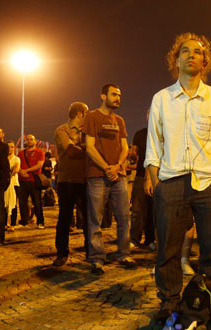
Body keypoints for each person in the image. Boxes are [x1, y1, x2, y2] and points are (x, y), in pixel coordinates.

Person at [145, 33, 211, 321]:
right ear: (176, 59)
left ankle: (210, 299)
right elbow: (154, 144)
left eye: (197, 52)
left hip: (209, 182)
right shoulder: (162, 98)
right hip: (170, 181)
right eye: (185, 51)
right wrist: (156, 182)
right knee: (168, 249)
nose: (191, 55)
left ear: (204, 61)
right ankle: (169, 301)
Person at [84, 84, 135, 274]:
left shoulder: (120, 120)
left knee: (123, 217)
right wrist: (107, 168)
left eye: (119, 95)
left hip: (118, 176)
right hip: (97, 176)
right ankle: (97, 258)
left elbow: (125, 147)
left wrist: (118, 166)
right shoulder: (92, 116)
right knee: (95, 220)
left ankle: (124, 254)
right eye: (114, 94)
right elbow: (89, 147)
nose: (118, 98)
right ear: (102, 95)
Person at [53, 101, 90, 266]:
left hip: (85, 180)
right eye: (87, 112)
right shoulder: (62, 130)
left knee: (89, 218)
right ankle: (62, 253)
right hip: (67, 181)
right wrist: (91, 151)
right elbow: (71, 151)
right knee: (65, 218)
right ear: (80, 113)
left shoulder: (88, 131)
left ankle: (91, 251)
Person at [129, 114, 156, 251]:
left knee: (152, 211)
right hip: (140, 175)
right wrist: (132, 155)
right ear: (147, 116)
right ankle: (134, 238)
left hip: (157, 176)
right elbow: (133, 153)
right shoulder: (140, 134)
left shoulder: (162, 132)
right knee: (137, 210)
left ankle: (150, 239)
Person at [18, 134, 45, 229]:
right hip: (22, 180)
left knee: (37, 202)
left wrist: (26, 171)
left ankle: (40, 222)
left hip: (34, 181)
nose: (29, 141)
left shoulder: (40, 152)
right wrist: (21, 171)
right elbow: (18, 164)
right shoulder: (21, 153)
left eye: (31, 139)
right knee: (22, 202)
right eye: (27, 139)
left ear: (35, 142)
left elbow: (39, 165)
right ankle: (24, 221)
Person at [5, 141, 20, 231]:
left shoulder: (16, 159)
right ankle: (4, 223)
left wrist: (8, 174)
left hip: (14, 183)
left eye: (12, 147)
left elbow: (16, 168)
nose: (10, 148)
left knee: (13, 204)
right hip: (4, 184)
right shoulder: (3, 158)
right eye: (8, 147)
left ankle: (12, 224)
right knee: (4, 204)